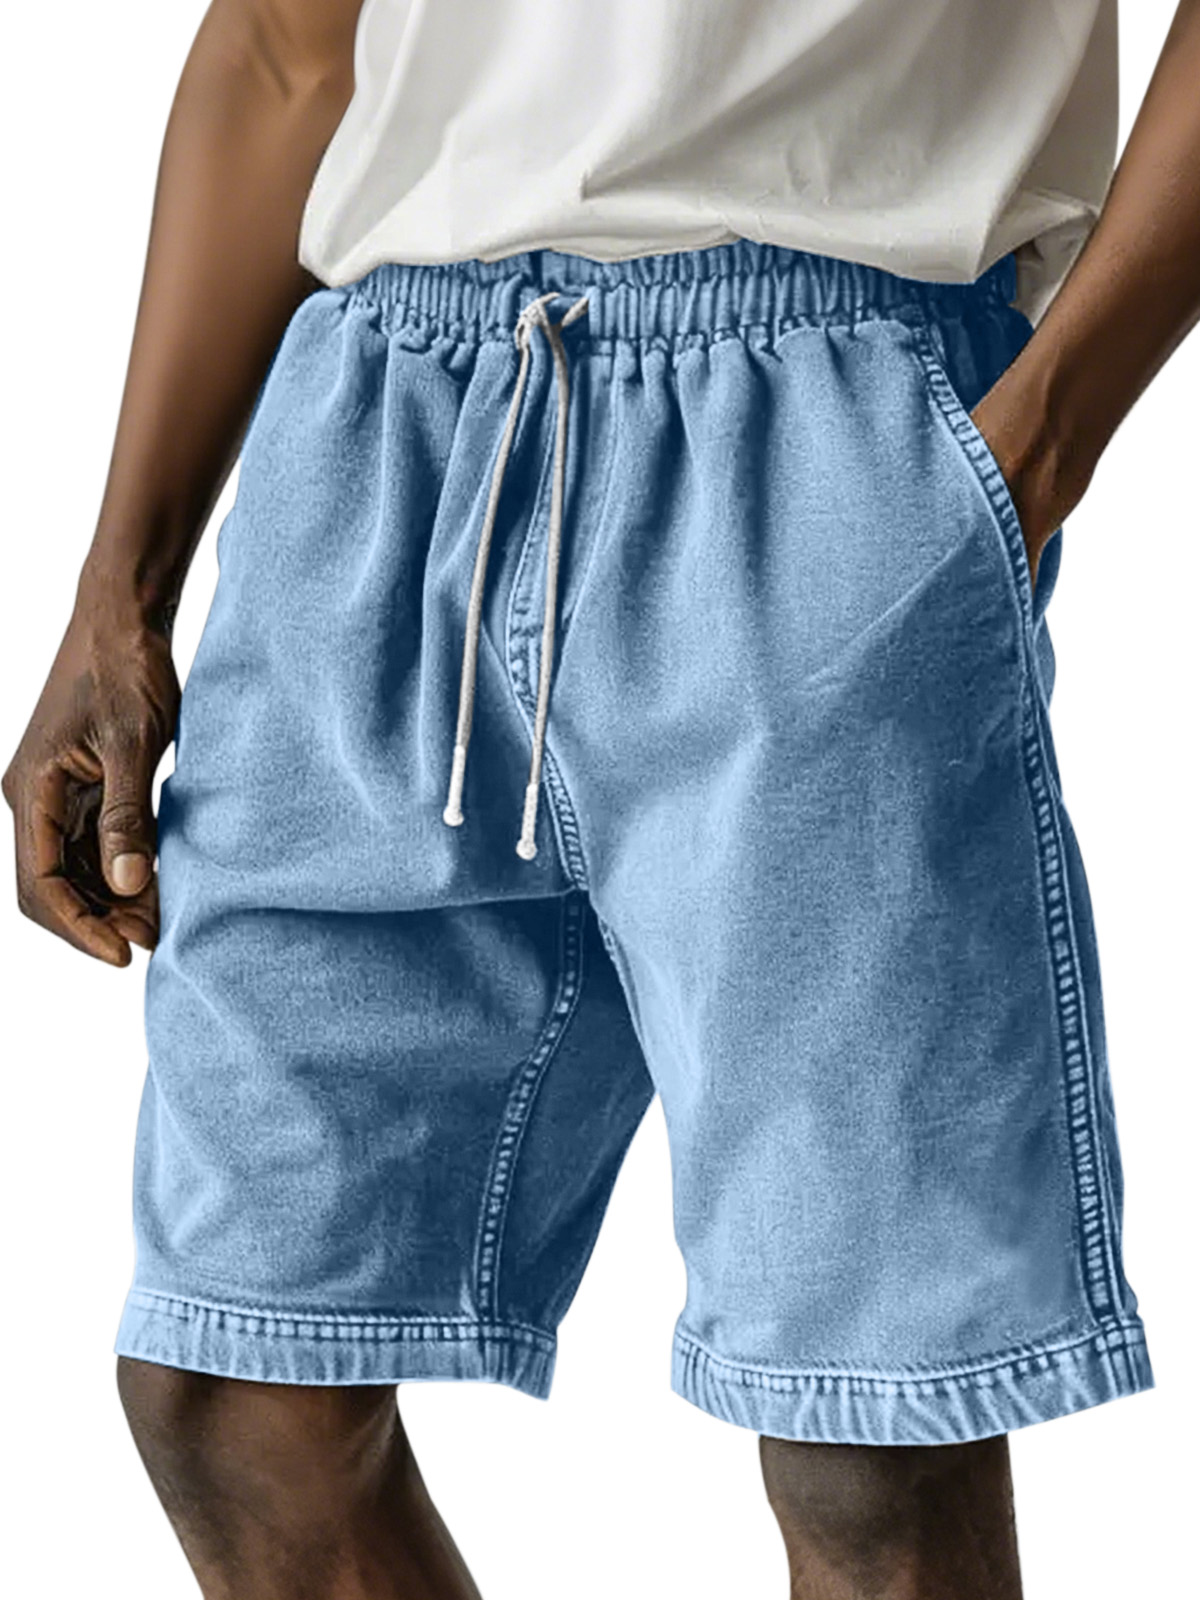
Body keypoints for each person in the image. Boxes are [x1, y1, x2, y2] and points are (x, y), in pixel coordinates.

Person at [4, 0, 1197, 1594]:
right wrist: (119, 586)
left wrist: (1037, 447)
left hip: (815, 423)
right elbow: (288, 46)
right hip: (377, 441)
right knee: (233, 1388)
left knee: (870, 1444)